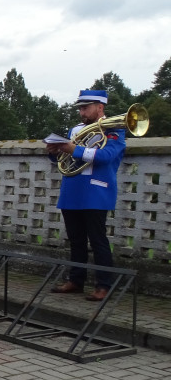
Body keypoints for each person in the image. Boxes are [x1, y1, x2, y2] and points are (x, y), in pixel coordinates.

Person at [46, 88, 126, 301]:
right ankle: (76, 280)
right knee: (75, 240)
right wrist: (55, 153)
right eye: (80, 108)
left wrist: (73, 149)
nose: (81, 112)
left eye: (85, 108)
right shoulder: (76, 129)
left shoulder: (114, 129)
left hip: (96, 191)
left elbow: (106, 156)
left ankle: (104, 285)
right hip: (72, 190)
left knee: (98, 240)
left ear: (100, 107)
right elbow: (66, 159)